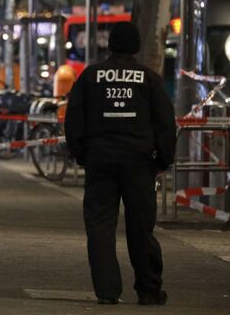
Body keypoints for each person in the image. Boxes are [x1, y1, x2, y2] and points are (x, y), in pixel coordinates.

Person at [64, 21, 176, 306]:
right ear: (136, 46)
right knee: (141, 226)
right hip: (139, 163)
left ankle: (107, 290)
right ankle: (149, 290)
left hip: (100, 161)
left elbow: (74, 117)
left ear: (109, 44)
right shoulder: (149, 79)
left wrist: (81, 154)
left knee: (100, 226)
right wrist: (164, 159)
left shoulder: (90, 77)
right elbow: (165, 122)